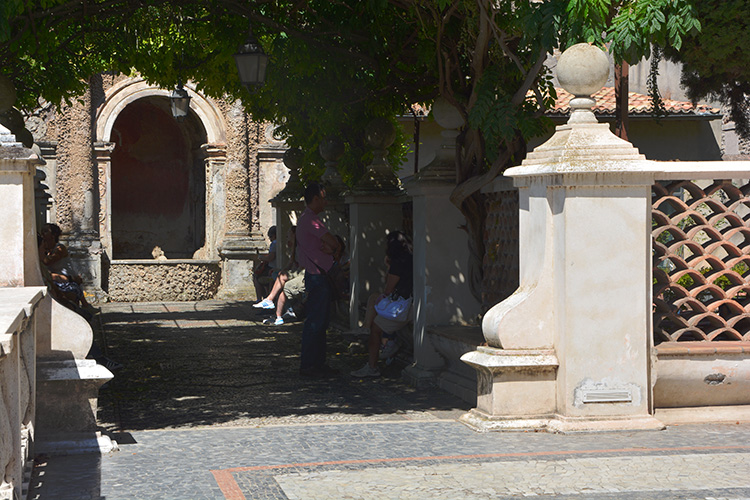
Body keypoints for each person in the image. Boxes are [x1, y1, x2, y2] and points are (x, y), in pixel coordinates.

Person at [351, 230, 413, 378]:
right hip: (411, 302)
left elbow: (389, 288)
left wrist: (388, 267)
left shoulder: (398, 262)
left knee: (375, 328)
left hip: (403, 305)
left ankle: (372, 366)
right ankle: (388, 340)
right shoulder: (412, 258)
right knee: (375, 300)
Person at [296, 182, 341, 378]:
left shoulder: (306, 219)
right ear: (315, 198)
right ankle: (310, 364)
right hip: (318, 276)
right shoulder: (311, 220)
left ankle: (316, 363)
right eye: (323, 197)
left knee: (320, 321)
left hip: (316, 274)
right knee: (316, 322)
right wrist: (335, 249)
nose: (325, 201)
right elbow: (333, 242)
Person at [38, 223, 97, 313]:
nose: (43, 234)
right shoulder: (47, 250)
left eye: (46, 231)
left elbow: (47, 261)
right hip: (55, 279)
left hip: (65, 278)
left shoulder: (59, 249)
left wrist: (41, 250)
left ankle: (84, 307)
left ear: (53, 235)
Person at [254, 226, 304, 326]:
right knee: (279, 277)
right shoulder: (293, 246)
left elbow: (300, 264)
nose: (286, 236)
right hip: (296, 270)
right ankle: (275, 309)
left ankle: (275, 310)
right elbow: (291, 263)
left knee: (283, 284)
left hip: (302, 271)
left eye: (288, 234)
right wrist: (282, 270)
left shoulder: (300, 246)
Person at [253, 226, 277, 300]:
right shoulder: (281, 242)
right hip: (275, 267)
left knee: (256, 277)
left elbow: (270, 258)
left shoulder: (274, 243)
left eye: (270, 237)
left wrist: (261, 257)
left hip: (272, 268)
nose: (270, 239)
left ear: (274, 235)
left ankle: (259, 299)